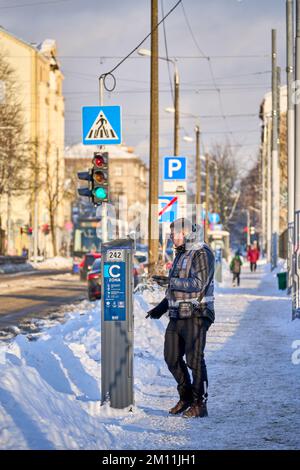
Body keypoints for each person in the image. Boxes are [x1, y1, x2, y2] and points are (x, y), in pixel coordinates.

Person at [146, 218, 215, 418]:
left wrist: (171, 281)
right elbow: (175, 289)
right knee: (171, 357)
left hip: (198, 313)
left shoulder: (202, 252)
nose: (170, 237)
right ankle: (185, 397)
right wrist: (161, 307)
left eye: (173, 234)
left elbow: (198, 284)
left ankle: (199, 403)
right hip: (178, 314)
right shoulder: (181, 254)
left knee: (194, 360)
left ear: (185, 233)